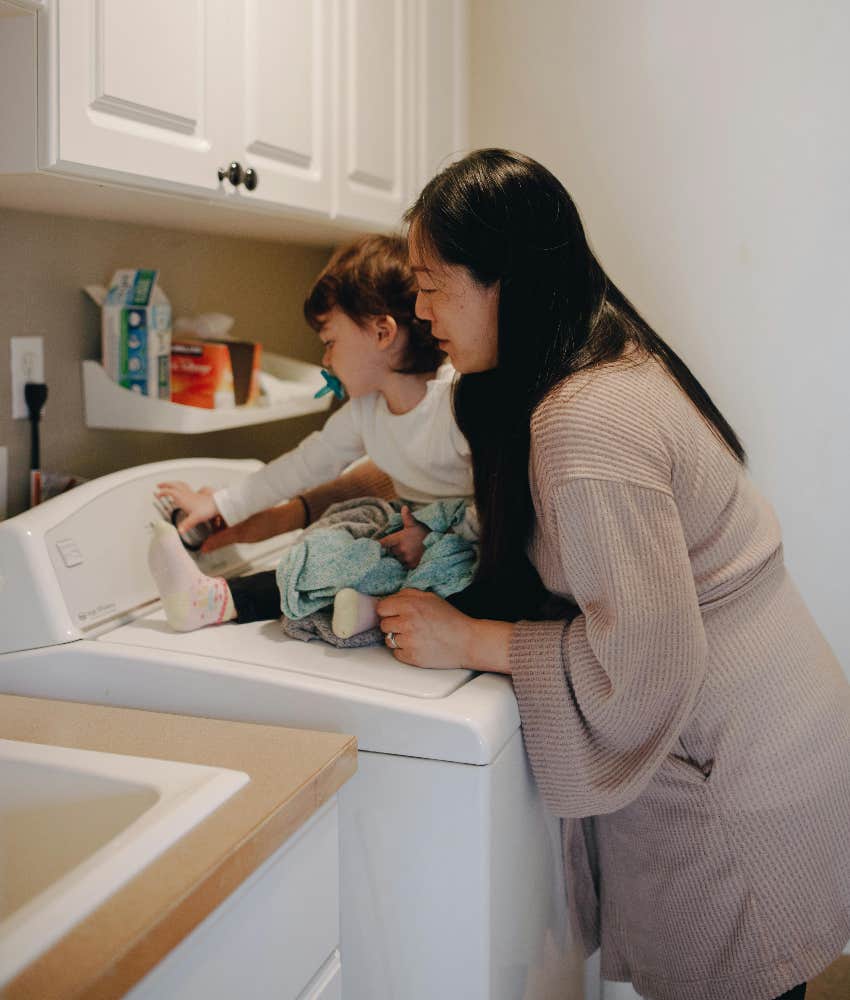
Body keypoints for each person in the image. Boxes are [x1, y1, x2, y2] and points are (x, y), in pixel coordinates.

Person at [371, 149, 850, 1000]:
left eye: (432, 282)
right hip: (775, 716)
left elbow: (647, 670)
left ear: (503, 281)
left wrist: (471, 639)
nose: (420, 307)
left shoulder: (584, 422)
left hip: (726, 767)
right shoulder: (603, 358)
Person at [150, 233, 474, 635]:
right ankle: (215, 600)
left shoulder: (456, 401)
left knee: (450, 570)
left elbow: (503, 497)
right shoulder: (365, 410)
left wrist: (432, 537)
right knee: (327, 548)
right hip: (407, 527)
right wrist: (220, 504)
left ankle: (371, 610)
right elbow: (306, 464)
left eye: (330, 342)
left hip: (470, 538)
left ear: (382, 333)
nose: (325, 359)